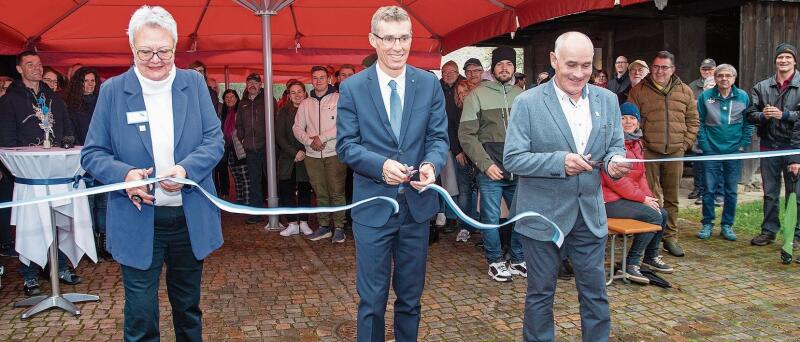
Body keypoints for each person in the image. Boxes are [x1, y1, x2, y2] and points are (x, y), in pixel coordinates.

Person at [81, 6, 224, 341]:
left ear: (176, 47)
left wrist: (186, 169)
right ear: (132, 48)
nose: (156, 59)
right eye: (146, 51)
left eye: (165, 50)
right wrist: (125, 175)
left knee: (188, 309)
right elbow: (92, 153)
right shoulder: (114, 90)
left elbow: (214, 140)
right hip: (138, 219)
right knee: (141, 314)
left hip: (188, 220)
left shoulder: (193, 83)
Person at [503, 31, 630, 341]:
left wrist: (615, 163)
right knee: (540, 296)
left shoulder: (608, 100)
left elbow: (616, 146)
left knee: (595, 294)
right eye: (571, 64)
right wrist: (559, 163)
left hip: (589, 214)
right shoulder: (528, 102)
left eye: (586, 66)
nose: (579, 73)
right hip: (542, 216)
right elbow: (513, 159)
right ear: (553, 60)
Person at [336, 6, 448, 341]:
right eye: (389, 39)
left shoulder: (428, 84)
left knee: (411, 300)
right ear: (373, 40)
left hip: (416, 209)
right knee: (371, 301)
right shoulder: (354, 88)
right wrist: (379, 165)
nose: (397, 46)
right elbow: (346, 146)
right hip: (372, 208)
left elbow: (438, 137)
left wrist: (431, 165)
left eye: (403, 38)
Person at [0, 50, 80, 297]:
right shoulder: (9, 101)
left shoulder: (55, 99)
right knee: (30, 224)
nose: (36, 68)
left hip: (55, 171)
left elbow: (67, 129)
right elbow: (5, 139)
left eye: (39, 64)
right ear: (20, 69)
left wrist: (66, 143)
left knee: (57, 220)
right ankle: (30, 276)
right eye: (30, 64)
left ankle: (60, 267)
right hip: (27, 174)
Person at [459, 46, 527, 282]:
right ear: (492, 68)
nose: (505, 68)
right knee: (490, 219)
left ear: (515, 69)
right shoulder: (477, 94)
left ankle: (517, 259)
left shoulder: (522, 95)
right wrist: (485, 164)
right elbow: (466, 135)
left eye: (509, 64)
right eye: (500, 64)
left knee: (520, 216)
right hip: (490, 170)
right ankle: (495, 261)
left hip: (517, 170)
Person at [628, 50, 700, 258]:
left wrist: (684, 144)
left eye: (664, 67)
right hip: (649, 152)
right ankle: (649, 235)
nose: (660, 71)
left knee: (671, 197)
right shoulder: (639, 91)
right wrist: (640, 146)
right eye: (657, 67)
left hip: (675, 151)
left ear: (673, 69)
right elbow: (632, 123)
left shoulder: (685, 91)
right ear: (652, 68)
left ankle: (670, 236)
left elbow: (693, 121)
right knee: (649, 195)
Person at [602, 102, 673, 284]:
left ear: (638, 123)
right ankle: (631, 263)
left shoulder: (637, 143)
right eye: (623, 118)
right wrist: (641, 199)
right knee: (653, 217)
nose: (628, 122)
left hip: (626, 198)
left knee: (661, 213)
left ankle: (651, 257)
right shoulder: (611, 143)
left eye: (632, 118)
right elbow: (614, 179)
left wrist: (649, 197)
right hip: (608, 201)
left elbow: (640, 176)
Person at [747, 43, 800, 247]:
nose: (783, 60)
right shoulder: (762, 86)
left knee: (795, 194)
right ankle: (769, 231)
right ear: (775, 61)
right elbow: (750, 115)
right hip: (769, 145)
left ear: (794, 61)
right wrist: (764, 115)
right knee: (770, 193)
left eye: (788, 57)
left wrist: (784, 115)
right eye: (780, 57)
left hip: (794, 146)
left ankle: (796, 235)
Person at [696, 64, 754, 241]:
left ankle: (727, 225)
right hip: (711, 151)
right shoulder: (705, 96)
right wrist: (705, 145)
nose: (724, 79)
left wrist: (743, 144)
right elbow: (699, 122)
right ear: (715, 77)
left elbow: (749, 122)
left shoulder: (743, 96)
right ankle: (707, 223)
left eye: (728, 76)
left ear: (734, 79)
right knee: (709, 189)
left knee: (731, 190)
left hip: (734, 151)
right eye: (720, 75)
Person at [294, 66, 348, 243]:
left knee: (337, 191)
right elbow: (297, 127)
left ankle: (339, 227)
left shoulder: (339, 99)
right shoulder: (305, 103)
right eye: (315, 78)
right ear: (311, 80)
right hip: (312, 155)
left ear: (329, 79)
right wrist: (310, 141)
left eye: (322, 77)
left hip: (333, 153)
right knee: (320, 192)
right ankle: (324, 226)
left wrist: (321, 138)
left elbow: (343, 124)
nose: (318, 81)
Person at [64, 66, 110, 260]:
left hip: (105, 157)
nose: (90, 84)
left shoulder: (103, 103)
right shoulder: (71, 106)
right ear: (78, 83)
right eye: (86, 81)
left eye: (93, 81)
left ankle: (105, 244)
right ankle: (89, 244)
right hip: (84, 159)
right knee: (89, 203)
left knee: (105, 202)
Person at [276, 80, 313, 237]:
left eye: (300, 92)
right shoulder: (283, 112)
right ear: (289, 95)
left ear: (305, 93)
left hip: (307, 155)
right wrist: (294, 153)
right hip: (288, 157)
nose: (297, 95)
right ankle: (292, 223)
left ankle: (304, 222)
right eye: (293, 92)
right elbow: (280, 136)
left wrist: (304, 151)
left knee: (305, 189)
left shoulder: (311, 110)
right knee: (287, 189)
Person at [688, 58, 721, 206]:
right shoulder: (693, 86)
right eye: (704, 69)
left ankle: (716, 193)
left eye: (710, 69)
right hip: (698, 129)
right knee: (698, 162)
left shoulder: (721, 86)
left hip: (715, 133)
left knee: (714, 164)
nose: (707, 71)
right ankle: (699, 189)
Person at [237, 73, 267, 224]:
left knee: (271, 180)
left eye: (255, 82)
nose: (252, 85)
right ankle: (257, 213)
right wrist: (243, 141)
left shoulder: (268, 101)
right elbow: (239, 126)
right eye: (250, 83)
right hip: (251, 150)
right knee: (254, 182)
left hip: (268, 149)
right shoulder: (243, 104)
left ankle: (278, 213)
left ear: (261, 85)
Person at [452, 79, 479, 243]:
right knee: (464, 193)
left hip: (479, 158)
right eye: (459, 93)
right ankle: (464, 227)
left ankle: (481, 226)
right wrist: (458, 152)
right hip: (463, 157)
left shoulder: (479, 108)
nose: (462, 96)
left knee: (482, 194)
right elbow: (452, 132)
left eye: (465, 91)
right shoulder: (456, 111)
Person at [221, 89, 251, 205]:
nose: (229, 99)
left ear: (237, 98)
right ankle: (240, 200)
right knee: (236, 176)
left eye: (232, 96)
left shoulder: (240, 112)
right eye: (226, 97)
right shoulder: (224, 114)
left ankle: (248, 202)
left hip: (240, 148)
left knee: (244, 177)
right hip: (229, 150)